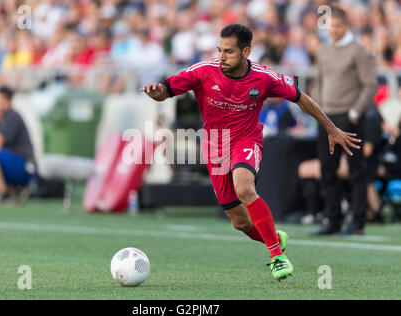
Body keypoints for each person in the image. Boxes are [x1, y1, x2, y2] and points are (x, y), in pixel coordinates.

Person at [140, 24, 360, 281]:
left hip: (247, 139)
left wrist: (331, 128)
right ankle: (275, 238)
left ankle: (277, 256)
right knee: (240, 223)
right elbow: (166, 90)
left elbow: (301, 97)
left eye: (229, 52)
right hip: (215, 146)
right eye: (219, 50)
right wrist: (156, 94)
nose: (221, 56)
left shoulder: (264, 77)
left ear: (246, 52)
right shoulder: (203, 71)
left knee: (244, 188)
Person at [311, 6, 377, 235]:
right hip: (326, 117)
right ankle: (332, 219)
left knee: (356, 170)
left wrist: (355, 113)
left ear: (346, 25)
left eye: (337, 26)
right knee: (327, 171)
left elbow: (370, 85)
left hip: (349, 118)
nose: (333, 30)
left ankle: (358, 222)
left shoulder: (358, 51)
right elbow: (318, 82)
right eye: (330, 26)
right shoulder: (323, 50)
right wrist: (317, 109)